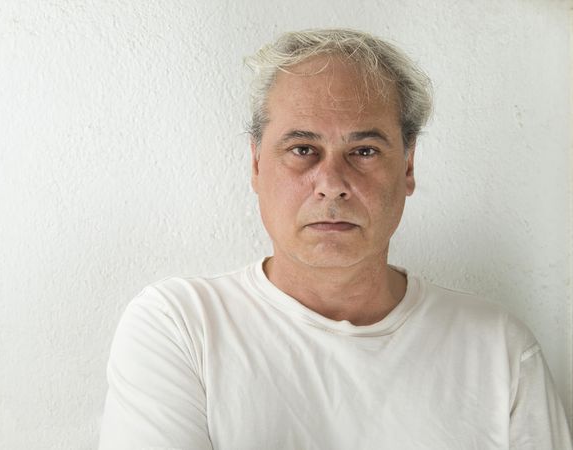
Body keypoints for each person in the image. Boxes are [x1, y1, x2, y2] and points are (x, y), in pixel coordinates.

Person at [98, 28, 572, 449]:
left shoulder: (499, 349)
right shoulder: (182, 327)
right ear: (257, 164)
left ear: (407, 167)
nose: (332, 182)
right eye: (303, 149)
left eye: (364, 151)